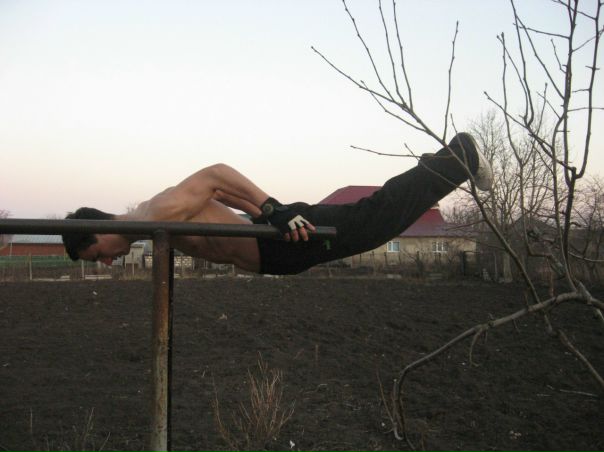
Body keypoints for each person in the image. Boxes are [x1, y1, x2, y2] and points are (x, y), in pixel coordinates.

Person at [62, 132, 492, 275]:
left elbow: (215, 175)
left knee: (377, 221)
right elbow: (217, 195)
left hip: (281, 242)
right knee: (375, 218)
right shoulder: (147, 219)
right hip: (275, 244)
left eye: (97, 255)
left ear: (95, 232)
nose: (106, 262)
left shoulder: (155, 215)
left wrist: (273, 210)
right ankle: (441, 164)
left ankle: (458, 158)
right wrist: (261, 214)